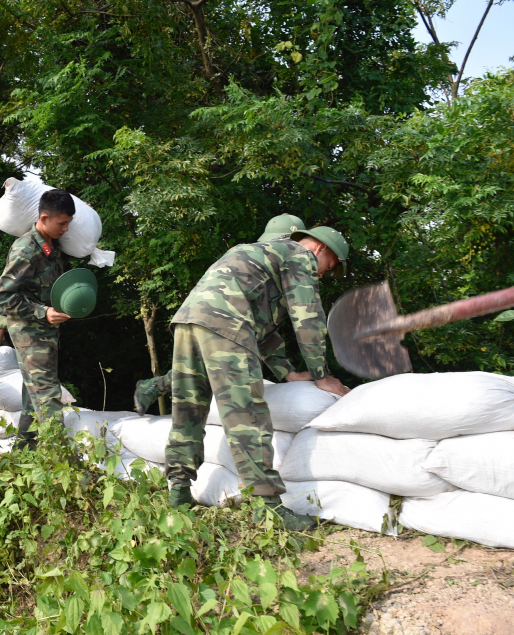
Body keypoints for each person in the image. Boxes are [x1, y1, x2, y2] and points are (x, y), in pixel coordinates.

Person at [165, 225, 351, 530]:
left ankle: (179, 494)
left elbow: (263, 331)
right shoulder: (300, 255)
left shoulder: (259, 255)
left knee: (188, 410)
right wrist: (321, 375)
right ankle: (267, 508)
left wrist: (288, 372)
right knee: (246, 414)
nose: (322, 276)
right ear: (319, 249)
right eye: (328, 267)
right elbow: (307, 316)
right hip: (227, 323)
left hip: (189, 319)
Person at [132, 213, 308, 415]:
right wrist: (290, 372)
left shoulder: (248, 256)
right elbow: (264, 328)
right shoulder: (265, 271)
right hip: (221, 322)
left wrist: (288, 372)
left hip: (200, 317)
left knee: (198, 370)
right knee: (208, 371)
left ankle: (152, 387)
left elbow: (264, 330)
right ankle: (153, 387)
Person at [0, 189, 74, 447]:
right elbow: (2, 296)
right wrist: (43, 312)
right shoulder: (26, 250)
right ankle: (65, 466)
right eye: (62, 223)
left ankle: (23, 454)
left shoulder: (53, 246)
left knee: (33, 395)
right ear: (44, 218)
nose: (66, 229)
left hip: (46, 334)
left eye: (69, 223)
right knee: (48, 396)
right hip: (30, 334)